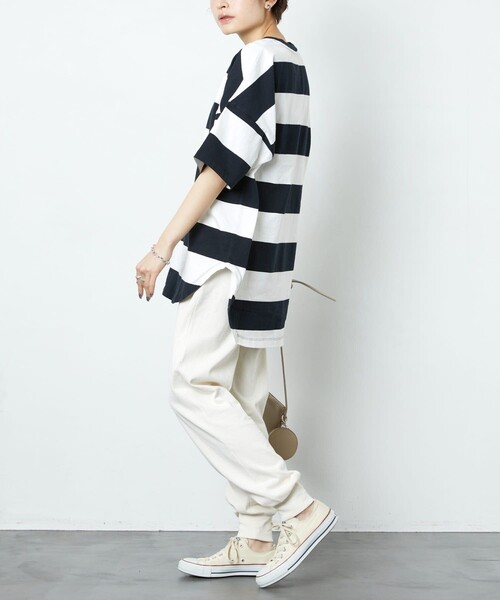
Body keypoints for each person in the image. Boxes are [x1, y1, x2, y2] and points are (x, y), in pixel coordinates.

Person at [135, 0, 338, 588]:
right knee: (243, 396)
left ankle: (297, 508)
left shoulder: (258, 59)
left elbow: (222, 168)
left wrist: (161, 247)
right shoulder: (291, 62)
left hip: (230, 252)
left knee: (193, 385)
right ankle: (254, 535)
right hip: (266, 257)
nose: (220, 3)